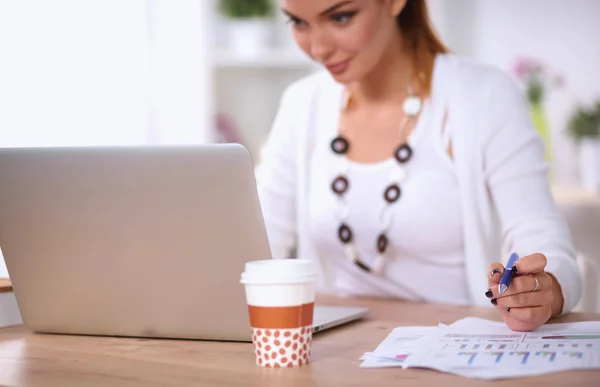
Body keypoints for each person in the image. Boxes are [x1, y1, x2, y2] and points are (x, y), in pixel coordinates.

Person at [254, 0, 582, 332]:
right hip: (336, 352)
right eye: (297, 23)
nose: (318, 48)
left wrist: (545, 290)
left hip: (454, 348)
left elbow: (541, 236)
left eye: (341, 17)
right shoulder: (302, 103)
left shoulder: (483, 95)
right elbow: (258, 241)